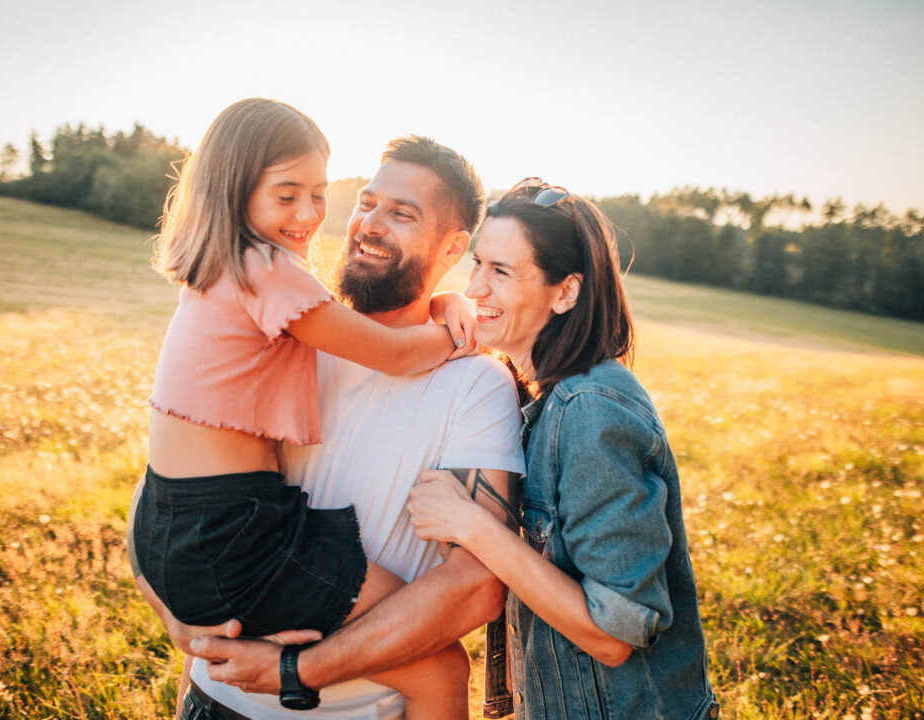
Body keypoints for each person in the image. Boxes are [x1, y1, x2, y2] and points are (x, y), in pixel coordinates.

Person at [132, 99, 484, 718]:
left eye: (319, 195)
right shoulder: (269, 272)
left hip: (176, 521)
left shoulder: (217, 272)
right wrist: (456, 321)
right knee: (437, 660)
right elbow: (396, 357)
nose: (309, 215)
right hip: (236, 533)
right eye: (286, 195)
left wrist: (439, 298)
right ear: (235, 191)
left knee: (420, 644)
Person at [406, 179, 720, 719]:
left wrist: (472, 526)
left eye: (501, 272)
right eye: (477, 264)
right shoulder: (541, 394)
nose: (477, 287)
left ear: (566, 292)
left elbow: (614, 632)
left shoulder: (590, 409)